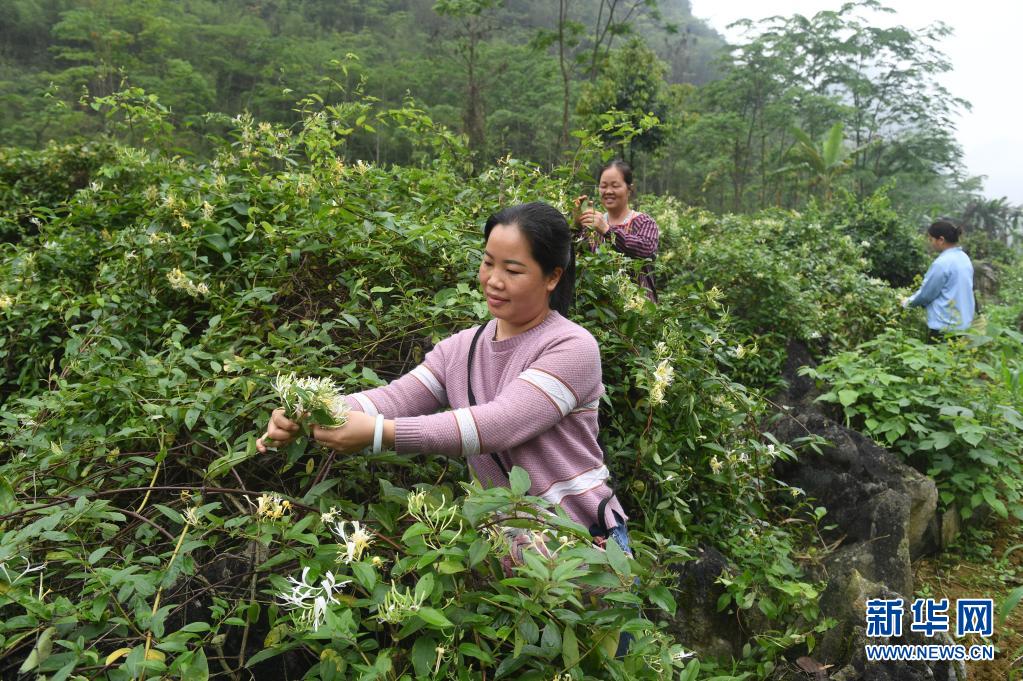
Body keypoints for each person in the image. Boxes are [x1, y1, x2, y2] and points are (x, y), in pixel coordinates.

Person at [257, 201, 629, 549]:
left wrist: (377, 434)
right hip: (507, 550)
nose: (493, 280)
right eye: (488, 263)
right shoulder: (461, 349)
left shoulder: (572, 347)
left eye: (512, 270)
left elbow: (498, 425)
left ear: (552, 277)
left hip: (581, 544)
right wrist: (309, 411)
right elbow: (394, 399)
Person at [575, 160, 660, 301]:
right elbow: (574, 257)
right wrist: (576, 224)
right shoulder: (593, 225)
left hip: (638, 312)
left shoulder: (645, 222)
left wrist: (607, 231)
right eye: (603, 186)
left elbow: (644, 248)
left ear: (629, 189)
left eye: (615, 186)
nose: (608, 191)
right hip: (600, 313)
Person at [901, 220, 975, 340]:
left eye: (931, 239)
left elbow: (927, 294)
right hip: (963, 326)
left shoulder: (942, 263)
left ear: (941, 240)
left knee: (936, 357)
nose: (930, 243)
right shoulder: (964, 258)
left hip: (944, 327)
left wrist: (907, 303)